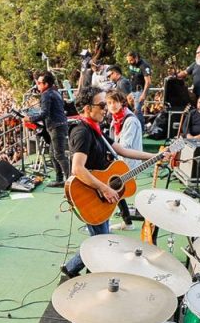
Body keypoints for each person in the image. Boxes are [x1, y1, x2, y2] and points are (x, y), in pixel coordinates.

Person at [62, 87, 155, 277]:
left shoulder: (95, 129)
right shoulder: (82, 132)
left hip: (99, 194)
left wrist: (155, 156)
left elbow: (121, 150)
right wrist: (104, 188)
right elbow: (77, 168)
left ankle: (72, 269)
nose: (106, 108)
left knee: (100, 240)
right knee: (101, 242)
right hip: (90, 194)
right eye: (102, 104)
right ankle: (82, 273)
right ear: (88, 108)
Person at [106, 90, 143, 231]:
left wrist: (110, 150)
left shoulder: (130, 120)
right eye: (109, 103)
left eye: (114, 102)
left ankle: (104, 222)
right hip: (120, 161)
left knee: (113, 189)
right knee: (117, 191)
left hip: (129, 162)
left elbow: (125, 146)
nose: (112, 105)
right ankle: (128, 223)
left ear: (122, 102)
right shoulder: (115, 119)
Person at [34, 71, 70, 188]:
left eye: (39, 83)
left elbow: (44, 113)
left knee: (59, 154)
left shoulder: (46, 95)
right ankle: (60, 179)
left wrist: (30, 118)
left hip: (56, 126)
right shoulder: (55, 92)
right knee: (52, 153)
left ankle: (70, 180)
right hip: (59, 125)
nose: (37, 85)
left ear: (46, 84)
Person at [125, 51, 153, 122]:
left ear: (136, 58)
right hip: (133, 90)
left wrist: (143, 94)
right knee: (130, 107)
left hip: (140, 91)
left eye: (131, 60)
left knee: (137, 111)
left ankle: (142, 130)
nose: (129, 62)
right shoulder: (131, 65)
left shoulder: (144, 65)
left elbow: (148, 81)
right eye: (128, 60)